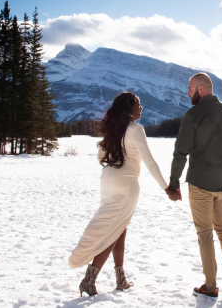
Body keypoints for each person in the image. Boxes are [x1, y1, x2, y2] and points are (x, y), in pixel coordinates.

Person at [68, 91, 178, 296]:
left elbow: (101, 156)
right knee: (114, 231)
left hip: (108, 180)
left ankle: (120, 279)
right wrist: (167, 188)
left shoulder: (113, 129)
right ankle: (89, 281)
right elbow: (150, 162)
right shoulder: (136, 129)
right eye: (138, 103)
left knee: (118, 229)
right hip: (126, 184)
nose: (141, 107)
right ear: (129, 107)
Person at [167, 72, 222, 299]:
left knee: (205, 233)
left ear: (201, 89)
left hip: (200, 184)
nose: (187, 92)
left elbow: (181, 152)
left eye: (189, 88)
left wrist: (174, 182)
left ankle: (210, 286)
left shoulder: (193, 114)